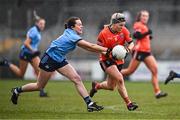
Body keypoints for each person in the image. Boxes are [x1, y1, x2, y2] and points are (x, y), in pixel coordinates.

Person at [10, 16, 108, 112]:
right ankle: (17, 90)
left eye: (81, 25)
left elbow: (88, 48)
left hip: (60, 59)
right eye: (79, 25)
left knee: (77, 78)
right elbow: (90, 46)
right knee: (39, 86)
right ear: (72, 27)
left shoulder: (71, 33)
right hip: (50, 59)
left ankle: (90, 104)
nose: (82, 26)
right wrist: (107, 50)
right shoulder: (72, 36)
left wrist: (104, 52)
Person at [89, 13, 138, 111]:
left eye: (123, 25)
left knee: (111, 86)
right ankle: (129, 103)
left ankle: (96, 86)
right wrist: (108, 52)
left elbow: (131, 43)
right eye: (120, 25)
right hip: (106, 60)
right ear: (114, 24)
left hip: (119, 61)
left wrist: (128, 50)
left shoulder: (124, 30)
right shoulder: (103, 33)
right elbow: (98, 48)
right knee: (120, 78)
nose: (122, 27)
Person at [120, 10, 167, 99]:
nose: (145, 17)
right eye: (143, 16)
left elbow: (142, 37)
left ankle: (157, 92)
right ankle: (114, 73)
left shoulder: (144, 26)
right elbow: (136, 35)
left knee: (155, 70)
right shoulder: (138, 24)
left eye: (147, 16)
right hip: (139, 51)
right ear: (140, 17)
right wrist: (147, 33)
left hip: (147, 52)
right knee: (130, 71)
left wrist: (148, 36)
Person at [0, 13, 48, 97]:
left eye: (43, 24)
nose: (42, 25)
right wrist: (33, 50)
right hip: (26, 53)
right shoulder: (34, 31)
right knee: (20, 74)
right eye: (41, 23)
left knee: (40, 71)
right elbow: (26, 43)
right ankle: (6, 63)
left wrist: (34, 51)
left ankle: (41, 91)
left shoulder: (37, 31)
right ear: (36, 23)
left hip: (33, 54)